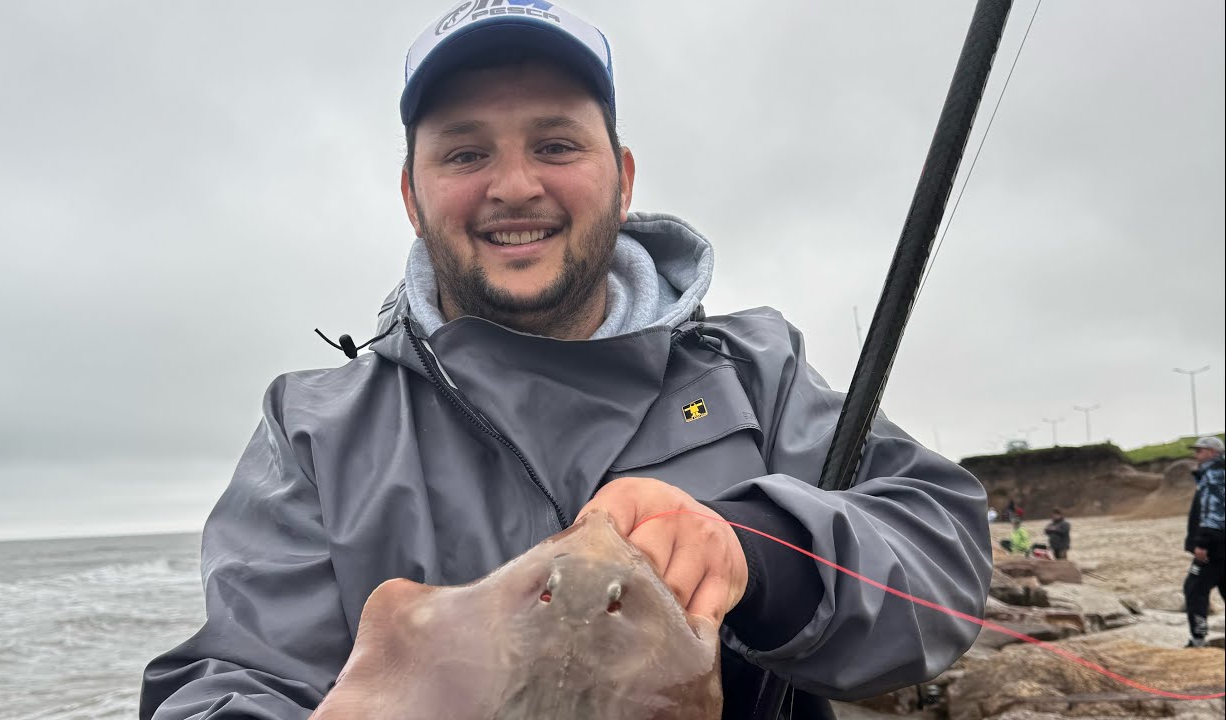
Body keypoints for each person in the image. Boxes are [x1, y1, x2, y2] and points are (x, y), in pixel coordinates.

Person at [140, 4, 992, 718]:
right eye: (466, 153)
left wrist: (763, 549)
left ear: (620, 176)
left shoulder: (753, 371)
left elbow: (940, 546)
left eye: (556, 145)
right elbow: (234, 676)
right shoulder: (317, 430)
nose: (514, 185)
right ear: (413, 194)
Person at [1183, 435, 1225, 648]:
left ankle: (1198, 639)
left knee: (1194, 589)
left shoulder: (1214, 475)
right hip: (1221, 545)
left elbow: (1214, 513)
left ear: (1212, 453)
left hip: (1213, 548)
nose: (1195, 455)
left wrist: (1202, 543)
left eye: (1199, 451)